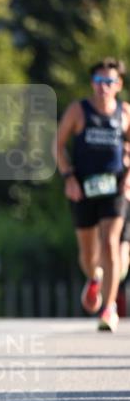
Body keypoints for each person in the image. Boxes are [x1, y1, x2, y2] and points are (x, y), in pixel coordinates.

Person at [55, 58, 130, 332]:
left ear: (118, 84)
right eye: (99, 81)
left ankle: (109, 308)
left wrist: (128, 178)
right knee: (89, 255)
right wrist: (69, 177)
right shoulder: (79, 111)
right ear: (92, 83)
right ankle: (94, 278)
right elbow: (58, 145)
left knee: (111, 243)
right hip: (83, 189)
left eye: (109, 82)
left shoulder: (124, 112)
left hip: (115, 189)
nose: (104, 87)